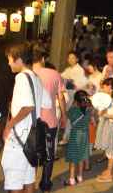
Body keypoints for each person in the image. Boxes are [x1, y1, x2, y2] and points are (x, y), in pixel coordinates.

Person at [1, 43, 52, 193]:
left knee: (14, 181)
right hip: (32, 138)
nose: (9, 63)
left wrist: (8, 125)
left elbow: (28, 106)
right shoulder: (36, 77)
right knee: (28, 179)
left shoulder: (21, 77)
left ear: (19, 60)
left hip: (19, 138)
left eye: (10, 59)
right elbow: (47, 103)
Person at [32, 45, 67, 192]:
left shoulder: (26, 74)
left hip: (31, 121)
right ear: (43, 59)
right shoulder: (54, 74)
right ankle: (45, 185)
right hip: (50, 121)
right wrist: (64, 116)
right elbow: (61, 98)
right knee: (48, 154)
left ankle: (30, 184)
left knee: (31, 153)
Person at [94, 78, 113, 183]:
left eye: (104, 86)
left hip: (111, 125)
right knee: (109, 149)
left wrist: (103, 115)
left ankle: (109, 173)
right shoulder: (107, 97)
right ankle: (110, 170)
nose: (103, 88)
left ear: (110, 87)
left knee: (111, 149)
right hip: (106, 124)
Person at [60, 51, 88, 145]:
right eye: (69, 57)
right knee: (69, 117)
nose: (70, 59)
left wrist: (69, 82)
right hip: (68, 96)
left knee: (71, 117)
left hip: (74, 96)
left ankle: (67, 138)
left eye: (73, 57)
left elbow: (79, 85)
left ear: (77, 59)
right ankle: (67, 137)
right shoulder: (68, 69)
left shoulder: (79, 70)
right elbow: (61, 77)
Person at [64, 90, 91, 186]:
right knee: (81, 157)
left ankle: (71, 179)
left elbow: (67, 115)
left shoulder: (73, 110)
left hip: (75, 135)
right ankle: (79, 176)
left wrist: (73, 104)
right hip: (85, 135)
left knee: (73, 158)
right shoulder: (89, 110)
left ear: (76, 100)